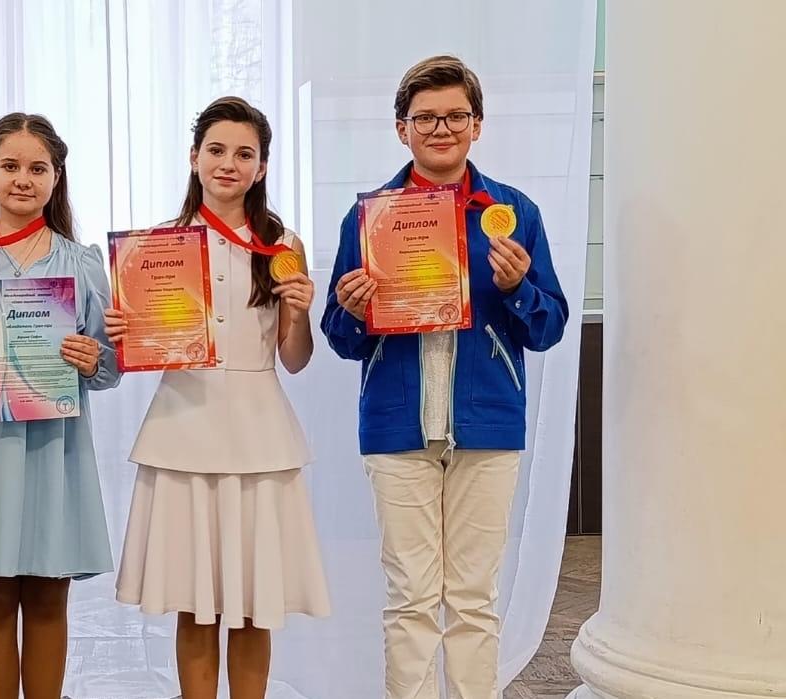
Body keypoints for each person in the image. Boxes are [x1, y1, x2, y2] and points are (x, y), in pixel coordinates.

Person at [321, 55, 568, 699]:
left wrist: (518, 289)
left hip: (487, 425)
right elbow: (340, 338)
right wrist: (354, 311)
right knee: (409, 596)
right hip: (396, 425)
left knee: (473, 598)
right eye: (425, 117)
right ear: (401, 128)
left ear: (477, 126)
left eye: (456, 116)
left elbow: (549, 326)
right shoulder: (368, 219)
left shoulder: (514, 213)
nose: (441, 128)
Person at [111, 96, 330, 699]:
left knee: (256, 605)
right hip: (183, 430)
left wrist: (298, 313)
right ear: (194, 157)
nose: (228, 164)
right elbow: (140, 353)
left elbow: (294, 359)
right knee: (196, 602)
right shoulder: (157, 247)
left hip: (260, 434)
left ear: (262, 167)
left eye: (244, 154)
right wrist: (127, 335)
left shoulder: (283, 244)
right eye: (216, 150)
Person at [0, 113, 120, 699]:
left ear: (57, 177)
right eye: (10, 166)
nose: (23, 179)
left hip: (55, 450)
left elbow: (109, 366)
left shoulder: (81, 261)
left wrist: (92, 358)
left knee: (47, 597)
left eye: (38, 168)